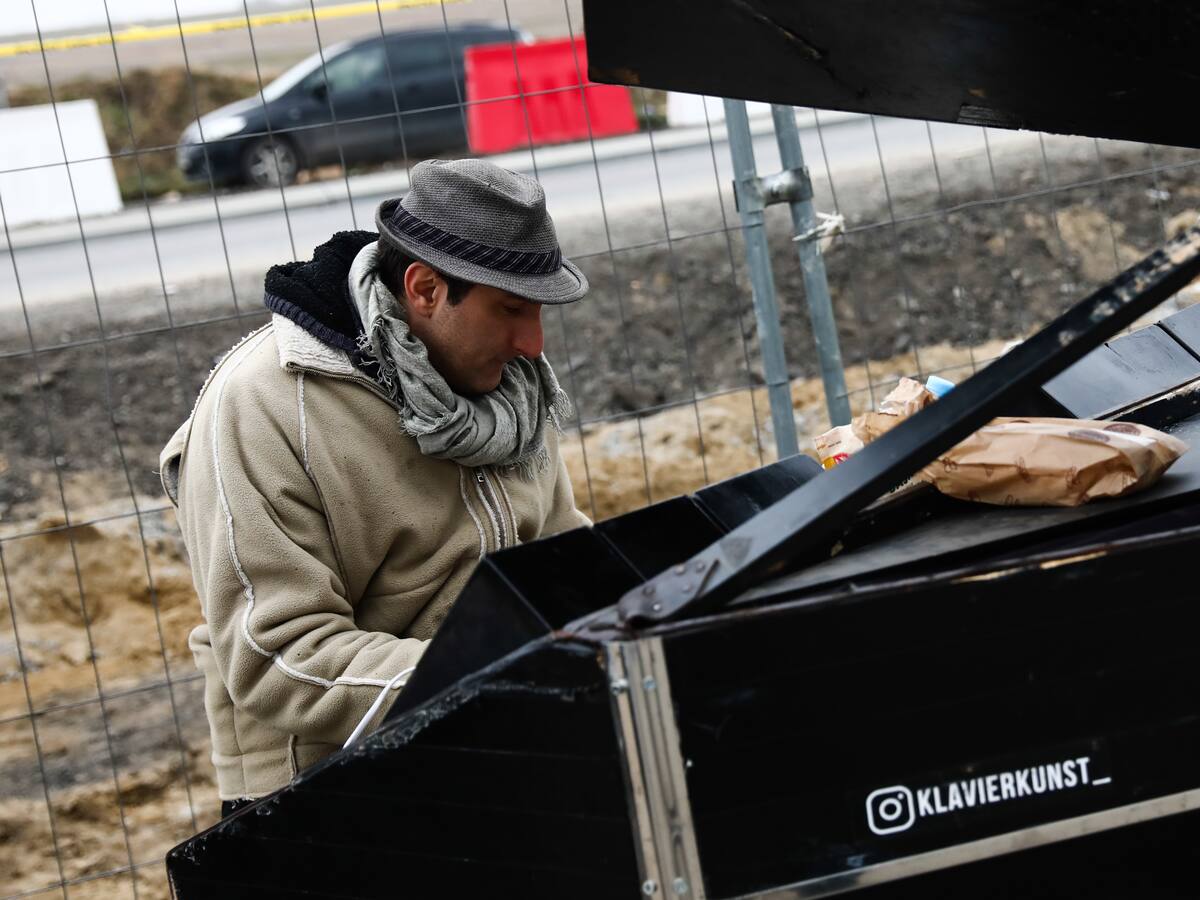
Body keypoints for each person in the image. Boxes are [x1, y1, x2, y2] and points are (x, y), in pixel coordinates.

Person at [159, 159, 591, 814]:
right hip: (319, 798)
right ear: (423, 289)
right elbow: (279, 655)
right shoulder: (266, 407)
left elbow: (559, 555)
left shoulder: (512, 391)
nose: (532, 344)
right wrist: (494, 677)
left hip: (493, 742)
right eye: (510, 310)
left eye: (537, 313)